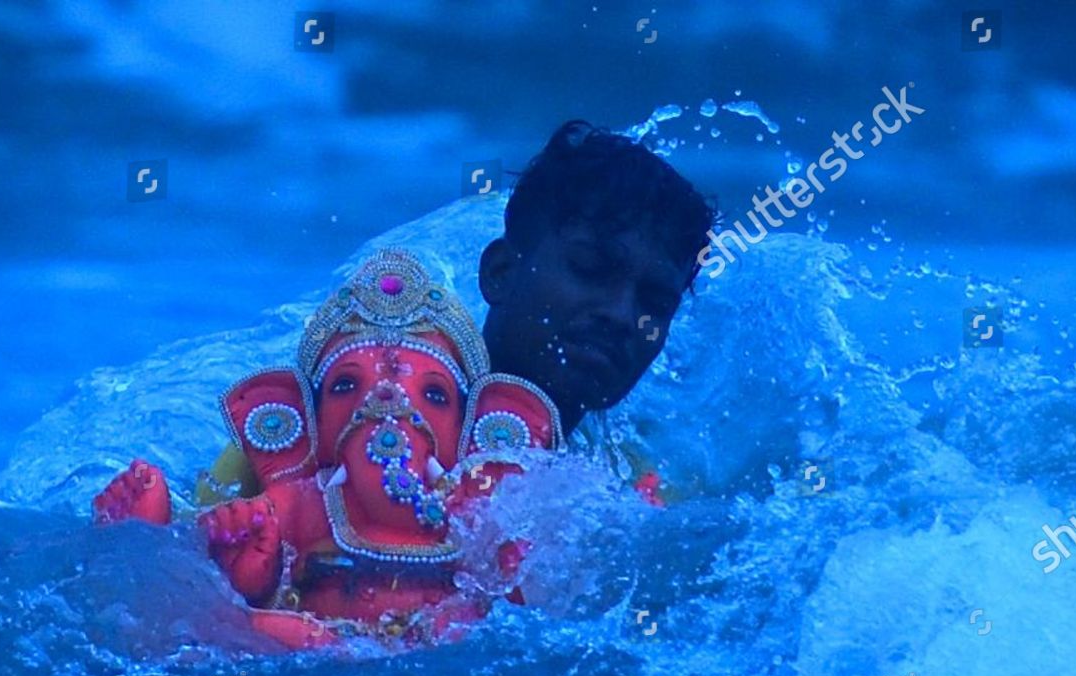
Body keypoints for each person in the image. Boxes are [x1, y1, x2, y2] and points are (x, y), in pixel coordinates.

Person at [195, 119, 715, 508]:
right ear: (501, 274)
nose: (622, 315)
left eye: (655, 303)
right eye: (590, 269)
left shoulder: (627, 496)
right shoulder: (329, 426)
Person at [95, 250, 561, 649]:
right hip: (315, 646)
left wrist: (513, 570)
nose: (386, 400)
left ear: (480, 427)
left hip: (441, 654)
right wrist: (249, 574)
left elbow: (529, 606)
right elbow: (221, 564)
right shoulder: (303, 502)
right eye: (345, 386)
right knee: (259, 628)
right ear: (300, 419)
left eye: (434, 395)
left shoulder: (480, 508)